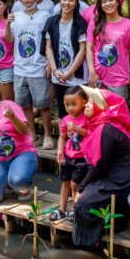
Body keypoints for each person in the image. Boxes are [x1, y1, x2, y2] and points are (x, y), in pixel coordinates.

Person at [71, 87, 130, 247]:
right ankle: (113, 219)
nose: (86, 106)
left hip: (122, 184)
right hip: (114, 178)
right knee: (83, 202)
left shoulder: (106, 130)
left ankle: (108, 227)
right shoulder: (103, 125)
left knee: (82, 205)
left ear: (101, 107)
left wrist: (81, 188)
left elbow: (100, 166)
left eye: (91, 102)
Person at [8, 0, 54, 149]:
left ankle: (48, 135)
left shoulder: (45, 16)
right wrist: (8, 23)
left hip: (39, 65)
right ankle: (32, 133)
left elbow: (50, 41)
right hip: (19, 67)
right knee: (24, 103)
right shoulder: (16, 16)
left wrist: (50, 63)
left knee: (43, 103)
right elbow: (9, 39)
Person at [85, 0, 130, 98]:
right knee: (97, 113)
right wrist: (91, 72)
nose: (108, 4)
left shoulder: (129, 25)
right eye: (104, 2)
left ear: (118, 2)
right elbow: (89, 48)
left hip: (119, 78)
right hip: (97, 77)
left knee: (117, 113)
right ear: (100, 5)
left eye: (111, 0)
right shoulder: (94, 23)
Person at [43, 0, 88, 118]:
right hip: (58, 75)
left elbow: (82, 50)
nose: (67, 3)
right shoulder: (51, 22)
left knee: (79, 109)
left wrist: (70, 72)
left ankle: (79, 137)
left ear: (76, 3)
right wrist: (54, 70)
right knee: (63, 110)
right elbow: (49, 48)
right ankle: (64, 137)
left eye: (71, 0)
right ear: (60, 1)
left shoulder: (80, 23)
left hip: (76, 75)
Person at [51, 85, 90, 221]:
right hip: (69, 155)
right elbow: (62, 137)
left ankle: (74, 208)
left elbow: (91, 135)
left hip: (81, 157)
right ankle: (62, 209)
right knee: (65, 182)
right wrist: (60, 151)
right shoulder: (66, 119)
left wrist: (77, 129)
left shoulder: (87, 117)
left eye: (74, 104)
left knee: (75, 184)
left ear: (83, 103)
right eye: (67, 105)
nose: (70, 108)